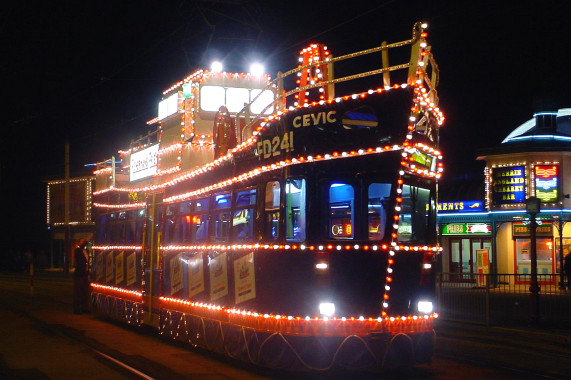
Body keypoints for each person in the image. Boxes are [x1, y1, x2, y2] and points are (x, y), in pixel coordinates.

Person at [73, 239, 90, 314]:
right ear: (79, 243)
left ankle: (84, 308)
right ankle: (77, 309)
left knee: (85, 292)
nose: (83, 242)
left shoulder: (86, 251)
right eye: (82, 241)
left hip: (85, 273)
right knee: (78, 292)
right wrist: (88, 239)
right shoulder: (77, 250)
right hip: (79, 273)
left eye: (84, 241)